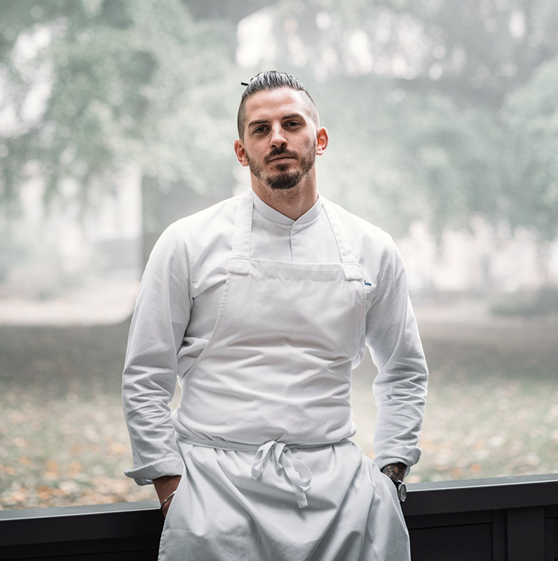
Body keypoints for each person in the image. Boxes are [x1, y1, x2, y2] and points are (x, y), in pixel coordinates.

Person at [122, 70, 428, 561]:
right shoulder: (187, 242)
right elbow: (146, 375)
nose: (278, 138)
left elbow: (404, 371)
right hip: (214, 492)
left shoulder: (374, 248)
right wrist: (173, 491)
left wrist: (391, 472)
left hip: (344, 497)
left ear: (320, 139)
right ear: (242, 151)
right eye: (260, 130)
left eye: (291, 123)